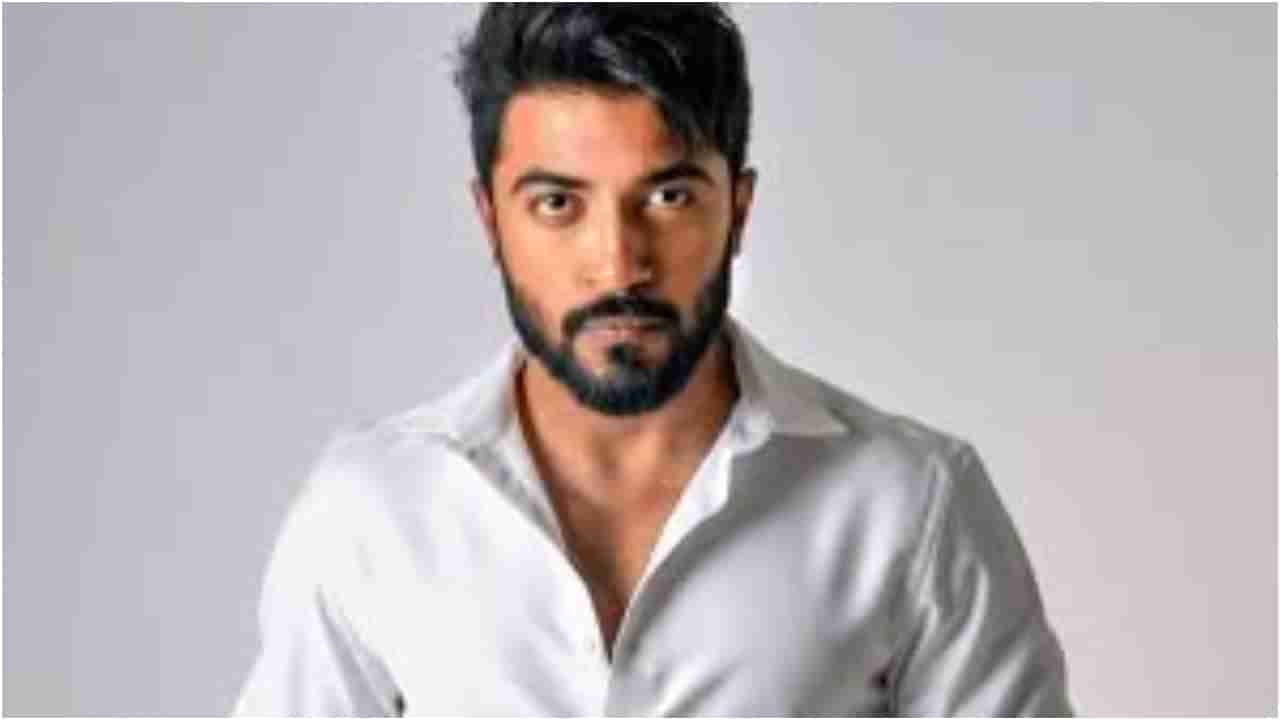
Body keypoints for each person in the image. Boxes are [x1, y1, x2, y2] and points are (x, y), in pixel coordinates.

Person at [232, 4, 1074, 716]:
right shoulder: (374, 514)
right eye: (558, 203)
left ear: (738, 207)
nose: (619, 263)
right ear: (490, 219)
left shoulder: (909, 505)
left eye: (669, 196)